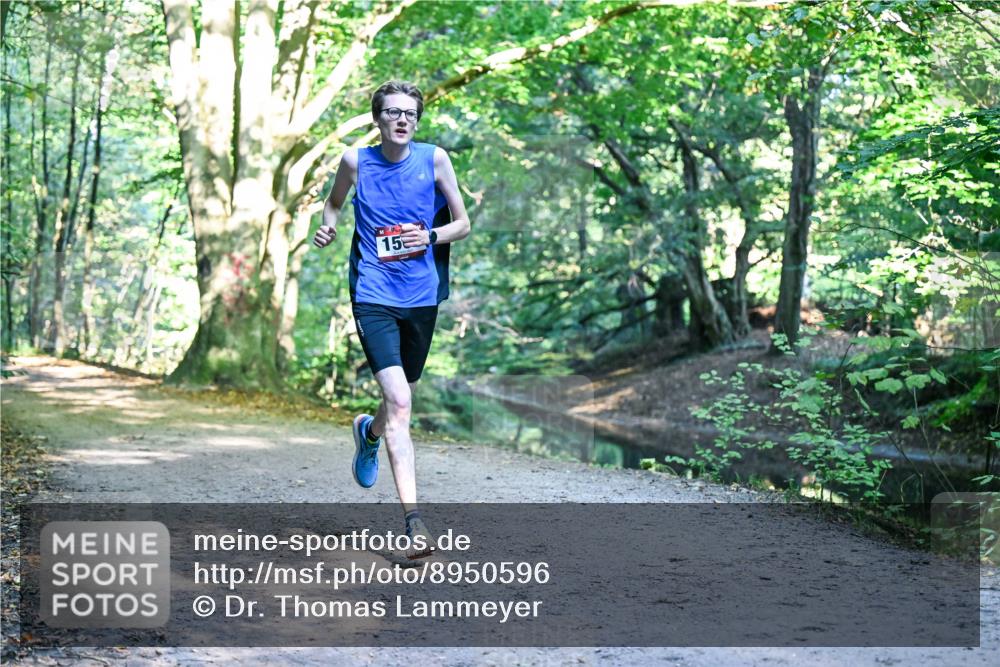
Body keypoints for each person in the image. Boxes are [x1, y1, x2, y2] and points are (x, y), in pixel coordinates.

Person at [312, 81, 471, 559]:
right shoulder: (355, 161)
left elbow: (462, 224)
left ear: (417, 121)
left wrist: (430, 235)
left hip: (421, 296)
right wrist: (329, 225)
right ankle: (415, 522)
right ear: (377, 119)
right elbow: (335, 203)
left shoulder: (435, 159)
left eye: (410, 113)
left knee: (398, 401)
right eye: (392, 112)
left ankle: (369, 434)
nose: (402, 120)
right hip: (373, 294)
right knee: (400, 399)